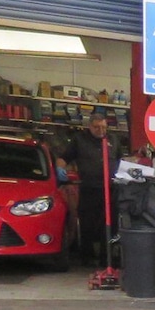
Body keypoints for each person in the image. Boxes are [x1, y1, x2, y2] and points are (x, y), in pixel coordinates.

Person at [60, 110, 124, 267]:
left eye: (103, 127)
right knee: (88, 224)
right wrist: (59, 170)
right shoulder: (79, 140)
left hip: (111, 189)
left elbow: (120, 160)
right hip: (89, 188)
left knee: (110, 224)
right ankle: (86, 258)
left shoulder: (113, 140)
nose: (101, 131)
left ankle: (106, 258)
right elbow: (64, 158)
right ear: (89, 126)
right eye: (97, 127)